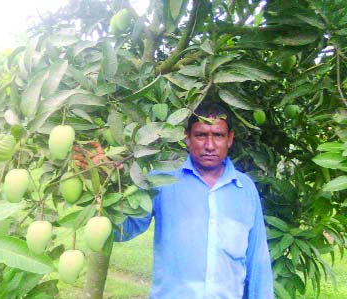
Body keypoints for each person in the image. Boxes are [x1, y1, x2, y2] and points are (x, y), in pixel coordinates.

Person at [74, 101, 274, 299]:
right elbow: (122, 231)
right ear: (187, 137)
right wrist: (103, 182)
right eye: (201, 135)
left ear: (230, 139)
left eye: (218, 136)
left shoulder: (245, 188)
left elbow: (258, 261)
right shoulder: (162, 178)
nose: (210, 145)